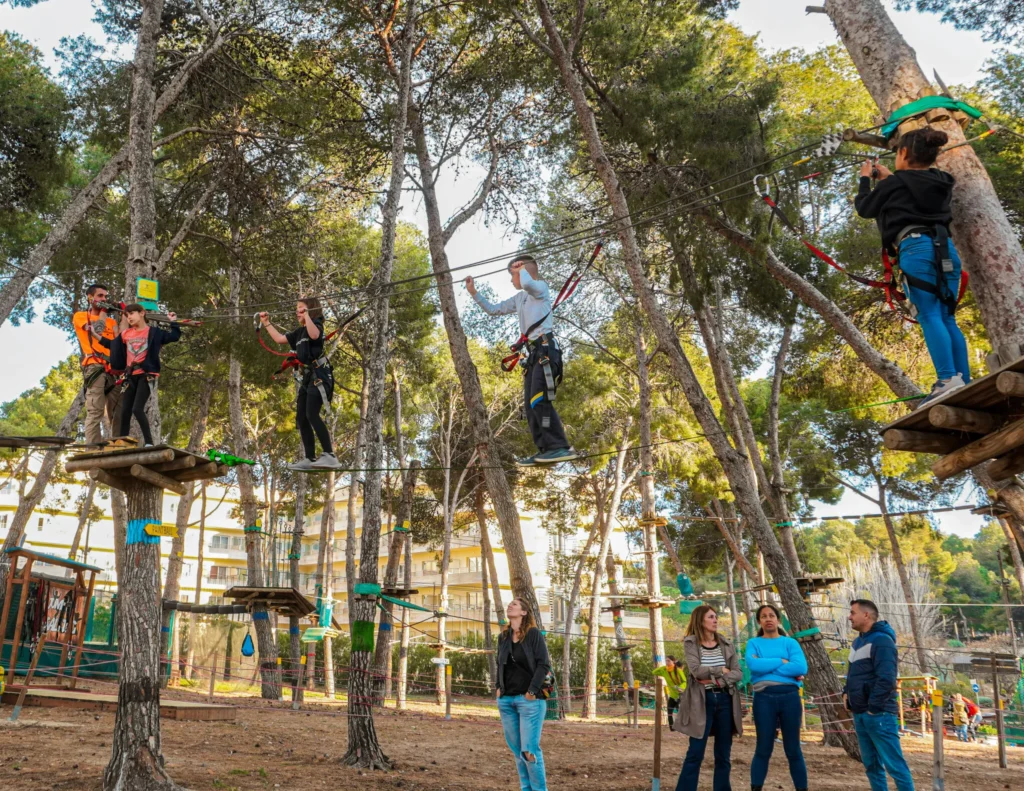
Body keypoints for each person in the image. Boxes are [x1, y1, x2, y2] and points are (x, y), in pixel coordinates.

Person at [854, 127, 970, 404]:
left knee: (929, 314)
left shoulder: (895, 183)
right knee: (946, 316)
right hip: (946, 249)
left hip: (916, 248)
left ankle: (947, 379)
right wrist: (892, 179)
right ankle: (962, 379)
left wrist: (864, 181)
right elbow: (914, 189)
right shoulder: (943, 180)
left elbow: (865, 208)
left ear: (904, 152)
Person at [465, 255, 577, 466]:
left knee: (539, 399)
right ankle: (545, 449)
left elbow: (527, 282)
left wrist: (521, 270)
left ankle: (559, 446)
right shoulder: (520, 299)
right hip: (533, 356)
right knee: (529, 405)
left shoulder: (540, 289)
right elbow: (493, 309)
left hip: (546, 352)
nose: (511, 281)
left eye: (512, 275)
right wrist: (474, 293)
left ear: (523, 271)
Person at [259, 298, 341, 471]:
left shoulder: (316, 326)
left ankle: (329, 455)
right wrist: (266, 323)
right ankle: (309, 458)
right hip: (308, 377)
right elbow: (280, 339)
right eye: (297, 309)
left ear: (311, 311)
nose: (298, 312)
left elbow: (314, 336)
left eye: (301, 309)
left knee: (312, 414)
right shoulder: (298, 332)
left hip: (320, 375)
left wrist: (308, 316)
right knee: (302, 417)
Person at [845, 599, 915, 791]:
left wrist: (874, 709)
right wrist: (846, 694)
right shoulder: (857, 642)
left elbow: (887, 678)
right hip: (860, 713)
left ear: (866, 615)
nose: (849, 617)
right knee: (872, 766)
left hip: (879, 714)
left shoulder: (882, 641)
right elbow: (852, 674)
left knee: (895, 766)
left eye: (852, 612)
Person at [675, 604, 743, 791]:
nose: (716, 620)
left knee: (723, 754)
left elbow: (738, 673)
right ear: (701, 620)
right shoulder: (691, 643)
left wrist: (719, 681)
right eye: (711, 617)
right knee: (695, 752)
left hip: (725, 700)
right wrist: (720, 670)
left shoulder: (726, 644)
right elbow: (696, 671)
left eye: (716, 617)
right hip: (701, 701)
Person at [745, 603, 809, 791]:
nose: (768, 619)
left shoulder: (790, 643)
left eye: (771, 615)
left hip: (790, 698)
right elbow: (753, 665)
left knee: (793, 749)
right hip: (764, 698)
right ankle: (756, 787)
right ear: (759, 621)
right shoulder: (753, 643)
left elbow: (800, 667)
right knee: (763, 748)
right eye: (763, 616)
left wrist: (767, 667)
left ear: (778, 619)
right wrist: (782, 662)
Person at [496, 597, 552, 791]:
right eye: (509, 603)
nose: (510, 605)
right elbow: (500, 664)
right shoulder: (503, 637)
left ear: (523, 612)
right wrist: (498, 688)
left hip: (530, 701)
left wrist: (531, 691)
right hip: (506, 700)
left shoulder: (533, 634)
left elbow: (543, 664)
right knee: (518, 751)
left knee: (529, 750)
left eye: (515, 604)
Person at [108, 304, 180, 447]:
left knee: (137, 408)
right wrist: (95, 336)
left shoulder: (154, 332)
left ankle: (149, 442)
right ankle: (122, 441)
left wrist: (173, 321)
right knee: (125, 410)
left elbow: (174, 336)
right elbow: (112, 345)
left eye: (132, 313)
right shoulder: (126, 334)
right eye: (127, 315)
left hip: (147, 374)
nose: (129, 317)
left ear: (142, 313)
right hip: (130, 376)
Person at [72, 284, 120, 445]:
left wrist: (126, 312)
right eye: (100, 296)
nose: (104, 300)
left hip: (113, 369)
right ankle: (92, 449)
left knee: (118, 411)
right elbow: (97, 331)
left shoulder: (112, 322)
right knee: (95, 410)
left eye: (106, 297)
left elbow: (120, 343)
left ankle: (117, 446)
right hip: (94, 366)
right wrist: (105, 312)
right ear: (90, 297)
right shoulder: (81, 316)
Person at [653, 654, 687, 730]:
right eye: (666, 661)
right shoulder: (665, 671)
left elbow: (685, 681)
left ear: (673, 662)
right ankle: (672, 727)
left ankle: (682, 726)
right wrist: (664, 667)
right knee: (669, 711)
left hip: (680, 694)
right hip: (672, 695)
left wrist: (680, 687)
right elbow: (654, 672)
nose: (667, 662)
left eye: (668, 661)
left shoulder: (678, 670)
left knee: (680, 711)